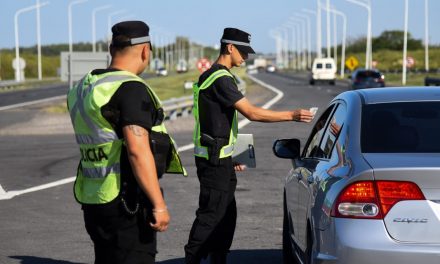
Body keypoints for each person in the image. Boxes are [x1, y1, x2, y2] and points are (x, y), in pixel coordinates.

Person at [184, 27, 315, 264]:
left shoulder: (213, 76)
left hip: (217, 157)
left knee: (225, 216)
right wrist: (292, 115)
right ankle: (193, 257)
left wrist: (230, 155)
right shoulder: (221, 79)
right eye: (243, 51)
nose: (245, 57)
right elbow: (252, 113)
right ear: (229, 47)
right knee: (211, 216)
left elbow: (215, 122)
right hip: (213, 161)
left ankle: (217, 258)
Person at [67, 21, 186, 264]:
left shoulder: (84, 88)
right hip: (126, 201)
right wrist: (159, 204)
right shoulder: (130, 88)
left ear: (112, 49)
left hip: (93, 197)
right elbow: (137, 150)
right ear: (145, 50)